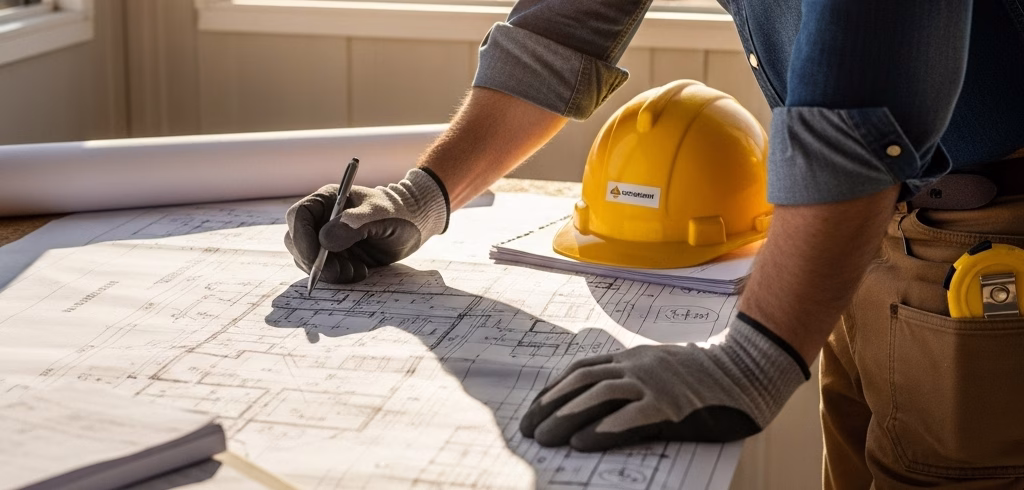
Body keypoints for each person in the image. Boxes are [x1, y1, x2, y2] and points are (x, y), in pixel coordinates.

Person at [284, 1, 1024, 487]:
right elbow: (565, 28)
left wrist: (753, 362)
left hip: (990, 238)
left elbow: (867, 93)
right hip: (864, 216)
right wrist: (422, 196)